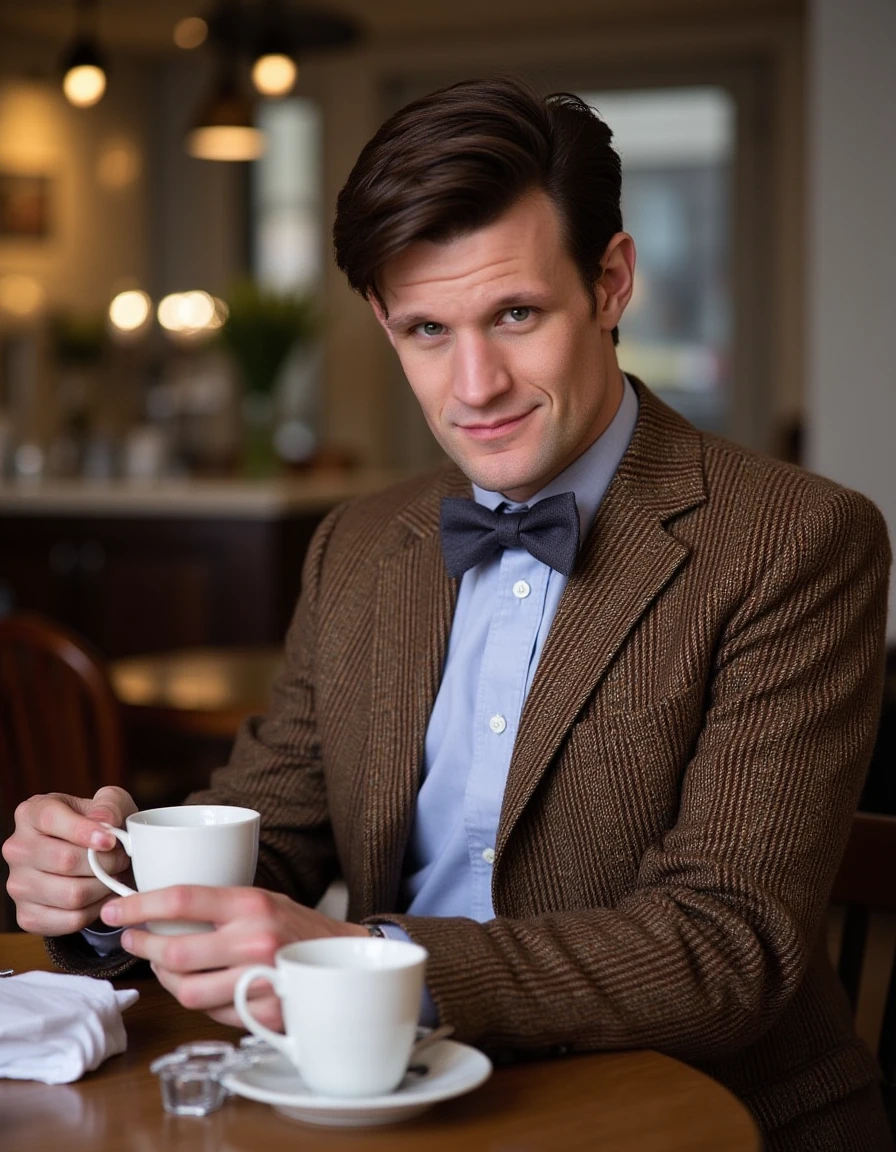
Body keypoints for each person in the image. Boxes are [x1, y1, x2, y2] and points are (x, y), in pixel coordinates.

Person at [3, 77, 892, 1149]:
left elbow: (727, 947)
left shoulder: (795, 541)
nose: (474, 385)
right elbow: (267, 839)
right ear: (381, 320)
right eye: (426, 328)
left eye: (514, 314)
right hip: (374, 1098)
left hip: (688, 1111)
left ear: (610, 282)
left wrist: (370, 961)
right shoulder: (359, 544)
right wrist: (106, 890)